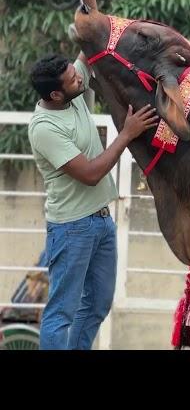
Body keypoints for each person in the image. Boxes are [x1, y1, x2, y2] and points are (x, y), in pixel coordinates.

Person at [27, 52, 158, 349]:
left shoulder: (70, 91)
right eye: (73, 79)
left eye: (76, 73)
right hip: (71, 228)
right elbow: (90, 173)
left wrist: (90, 8)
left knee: (98, 302)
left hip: (101, 221)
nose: (80, 77)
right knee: (61, 312)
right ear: (56, 94)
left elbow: (89, 46)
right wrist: (127, 133)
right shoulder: (44, 127)